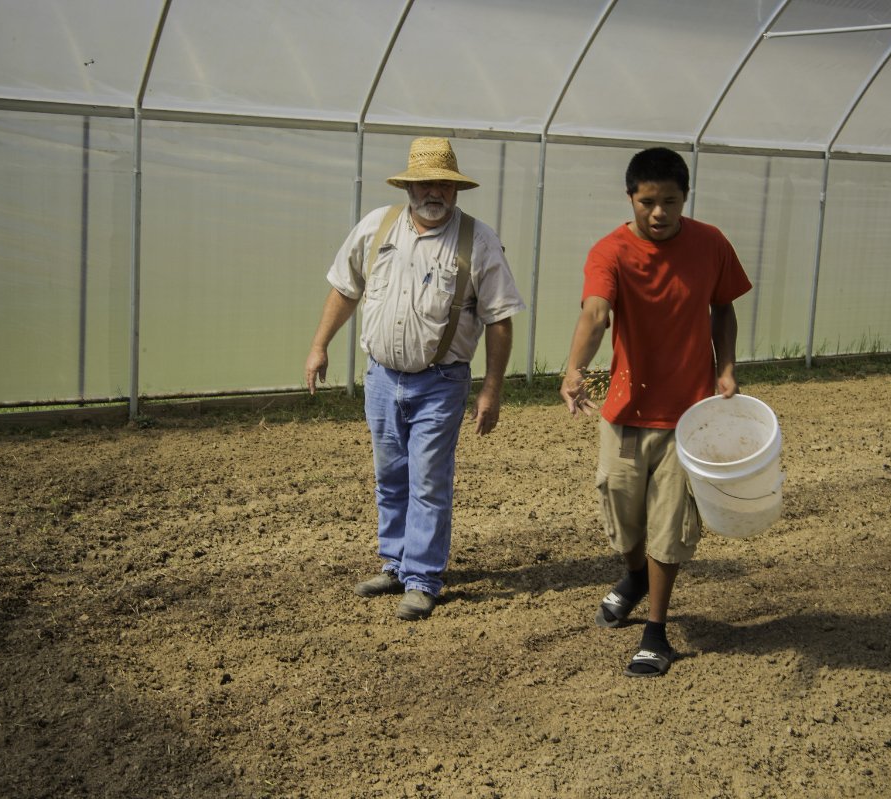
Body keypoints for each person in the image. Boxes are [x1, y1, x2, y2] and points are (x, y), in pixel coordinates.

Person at [304, 137, 526, 621]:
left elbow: (500, 318)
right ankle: (395, 562)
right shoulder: (377, 227)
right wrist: (320, 345)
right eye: (425, 182)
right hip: (382, 378)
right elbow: (345, 289)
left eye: (444, 185)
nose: (434, 192)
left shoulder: (478, 241)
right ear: (409, 185)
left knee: (428, 480)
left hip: (441, 381)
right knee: (390, 476)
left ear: (455, 190)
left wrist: (492, 387)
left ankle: (423, 578)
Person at [559, 147, 752, 677]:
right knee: (622, 515)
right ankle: (635, 574)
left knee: (670, 523)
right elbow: (596, 312)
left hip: (688, 416)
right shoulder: (611, 252)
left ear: (685, 198)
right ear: (631, 198)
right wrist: (575, 369)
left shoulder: (710, 244)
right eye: (649, 202)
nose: (660, 212)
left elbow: (724, 306)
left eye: (671, 201)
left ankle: (656, 632)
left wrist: (726, 368)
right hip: (625, 409)